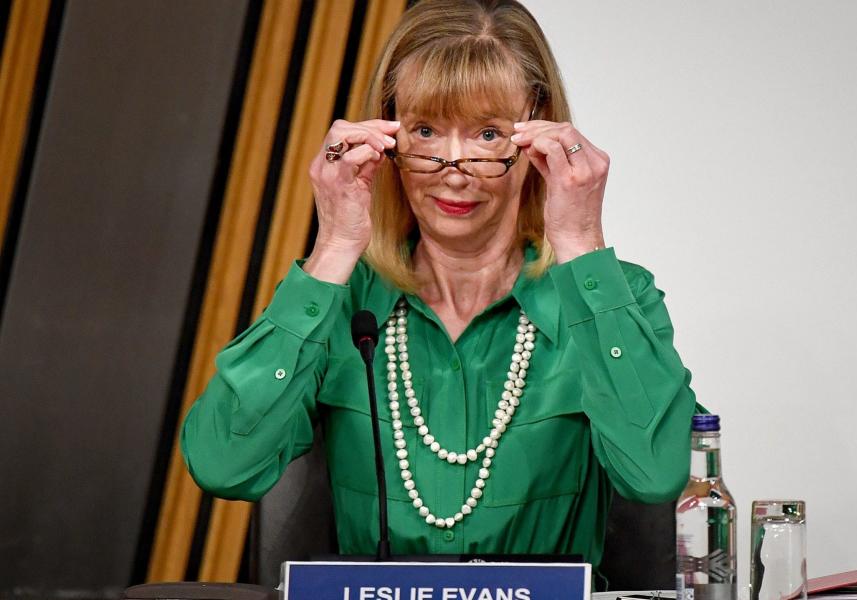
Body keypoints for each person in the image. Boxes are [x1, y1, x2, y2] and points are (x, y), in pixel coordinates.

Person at [181, 0, 698, 574]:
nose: (455, 167)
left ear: (536, 138)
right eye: (425, 130)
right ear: (385, 135)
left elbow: (654, 476)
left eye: (487, 133)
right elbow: (222, 465)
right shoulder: (341, 300)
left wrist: (579, 241)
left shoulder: (610, 297)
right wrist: (333, 248)